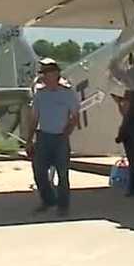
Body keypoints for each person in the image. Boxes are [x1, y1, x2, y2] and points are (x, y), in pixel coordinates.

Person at [25, 61, 79, 214]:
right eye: (44, 74)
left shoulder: (67, 93)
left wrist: (66, 132)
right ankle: (48, 199)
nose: (47, 77)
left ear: (56, 75)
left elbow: (74, 116)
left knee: (63, 173)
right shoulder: (40, 95)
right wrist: (29, 140)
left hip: (60, 137)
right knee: (39, 171)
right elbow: (34, 118)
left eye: (49, 73)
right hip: (43, 136)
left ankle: (63, 206)